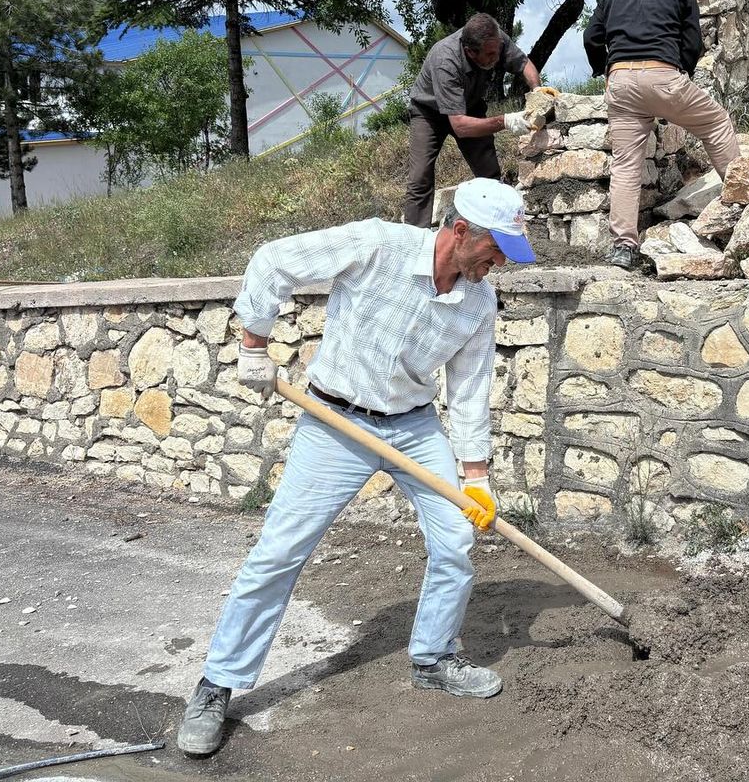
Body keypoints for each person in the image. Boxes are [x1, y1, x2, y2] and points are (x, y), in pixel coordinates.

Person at [176, 177, 537, 757]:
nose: (499, 263)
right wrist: (252, 342)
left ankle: (434, 656)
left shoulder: (479, 299)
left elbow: (469, 388)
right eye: (495, 249)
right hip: (335, 420)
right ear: (460, 230)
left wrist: (476, 476)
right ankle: (218, 683)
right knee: (280, 551)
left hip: (414, 426)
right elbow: (273, 260)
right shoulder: (376, 245)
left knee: (455, 539)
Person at [583, 0, 742, 270]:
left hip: (621, 83)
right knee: (715, 123)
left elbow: (591, 37)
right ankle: (743, 203)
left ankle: (624, 247)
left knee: (626, 166)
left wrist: (605, 70)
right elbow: (693, 43)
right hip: (662, 76)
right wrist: (679, 70)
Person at [404, 12, 550, 227]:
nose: (497, 58)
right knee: (420, 177)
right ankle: (415, 238)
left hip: (469, 106)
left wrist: (537, 90)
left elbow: (523, 64)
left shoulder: (495, 38)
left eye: (498, 50)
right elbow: (461, 126)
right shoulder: (445, 60)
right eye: (490, 54)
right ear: (470, 52)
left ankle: (499, 226)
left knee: (489, 171)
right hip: (429, 113)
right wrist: (506, 121)